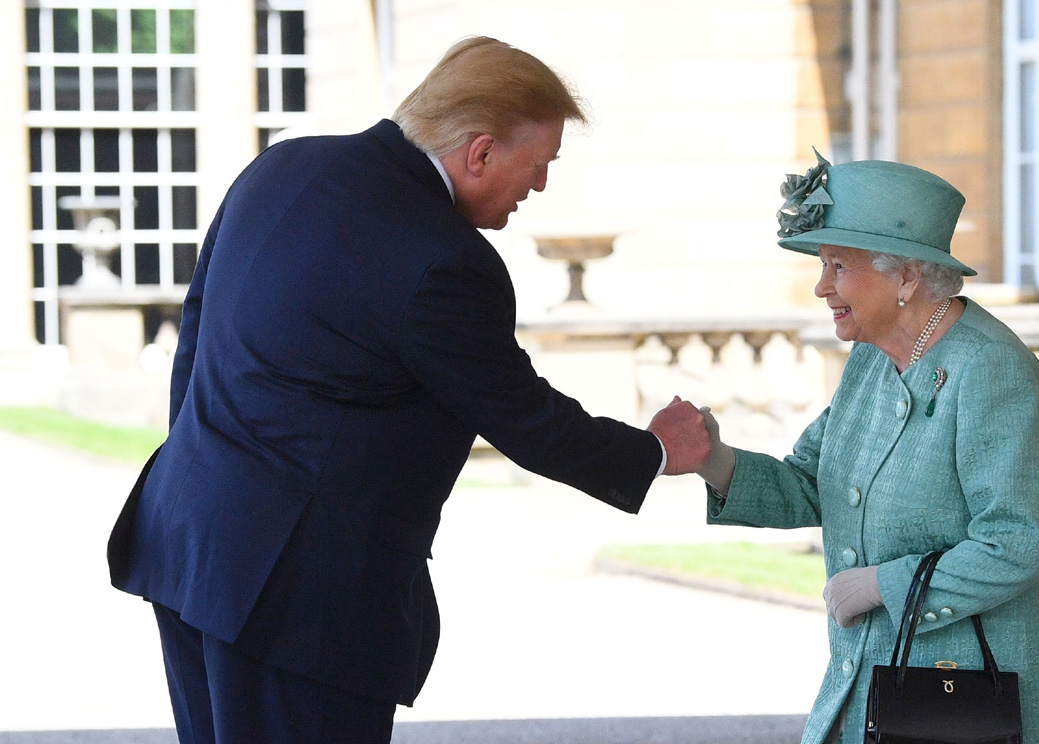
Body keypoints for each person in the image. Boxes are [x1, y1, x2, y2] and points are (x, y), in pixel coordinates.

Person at [106, 36, 710, 744]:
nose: (539, 187)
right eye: (539, 166)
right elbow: (526, 419)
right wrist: (656, 451)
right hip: (297, 601)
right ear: (479, 152)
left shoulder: (282, 165)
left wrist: (207, 469)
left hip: (187, 540)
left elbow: (197, 328)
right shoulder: (448, 261)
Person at [689, 152, 1039, 744]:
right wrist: (714, 460)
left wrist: (883, 585)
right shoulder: (872, 360)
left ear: (906, 276)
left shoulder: (991, 371)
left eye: (838, 266)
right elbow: (811, 480)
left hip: (971, 699)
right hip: (880, 688)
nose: (822, 287)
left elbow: (1013, 544)